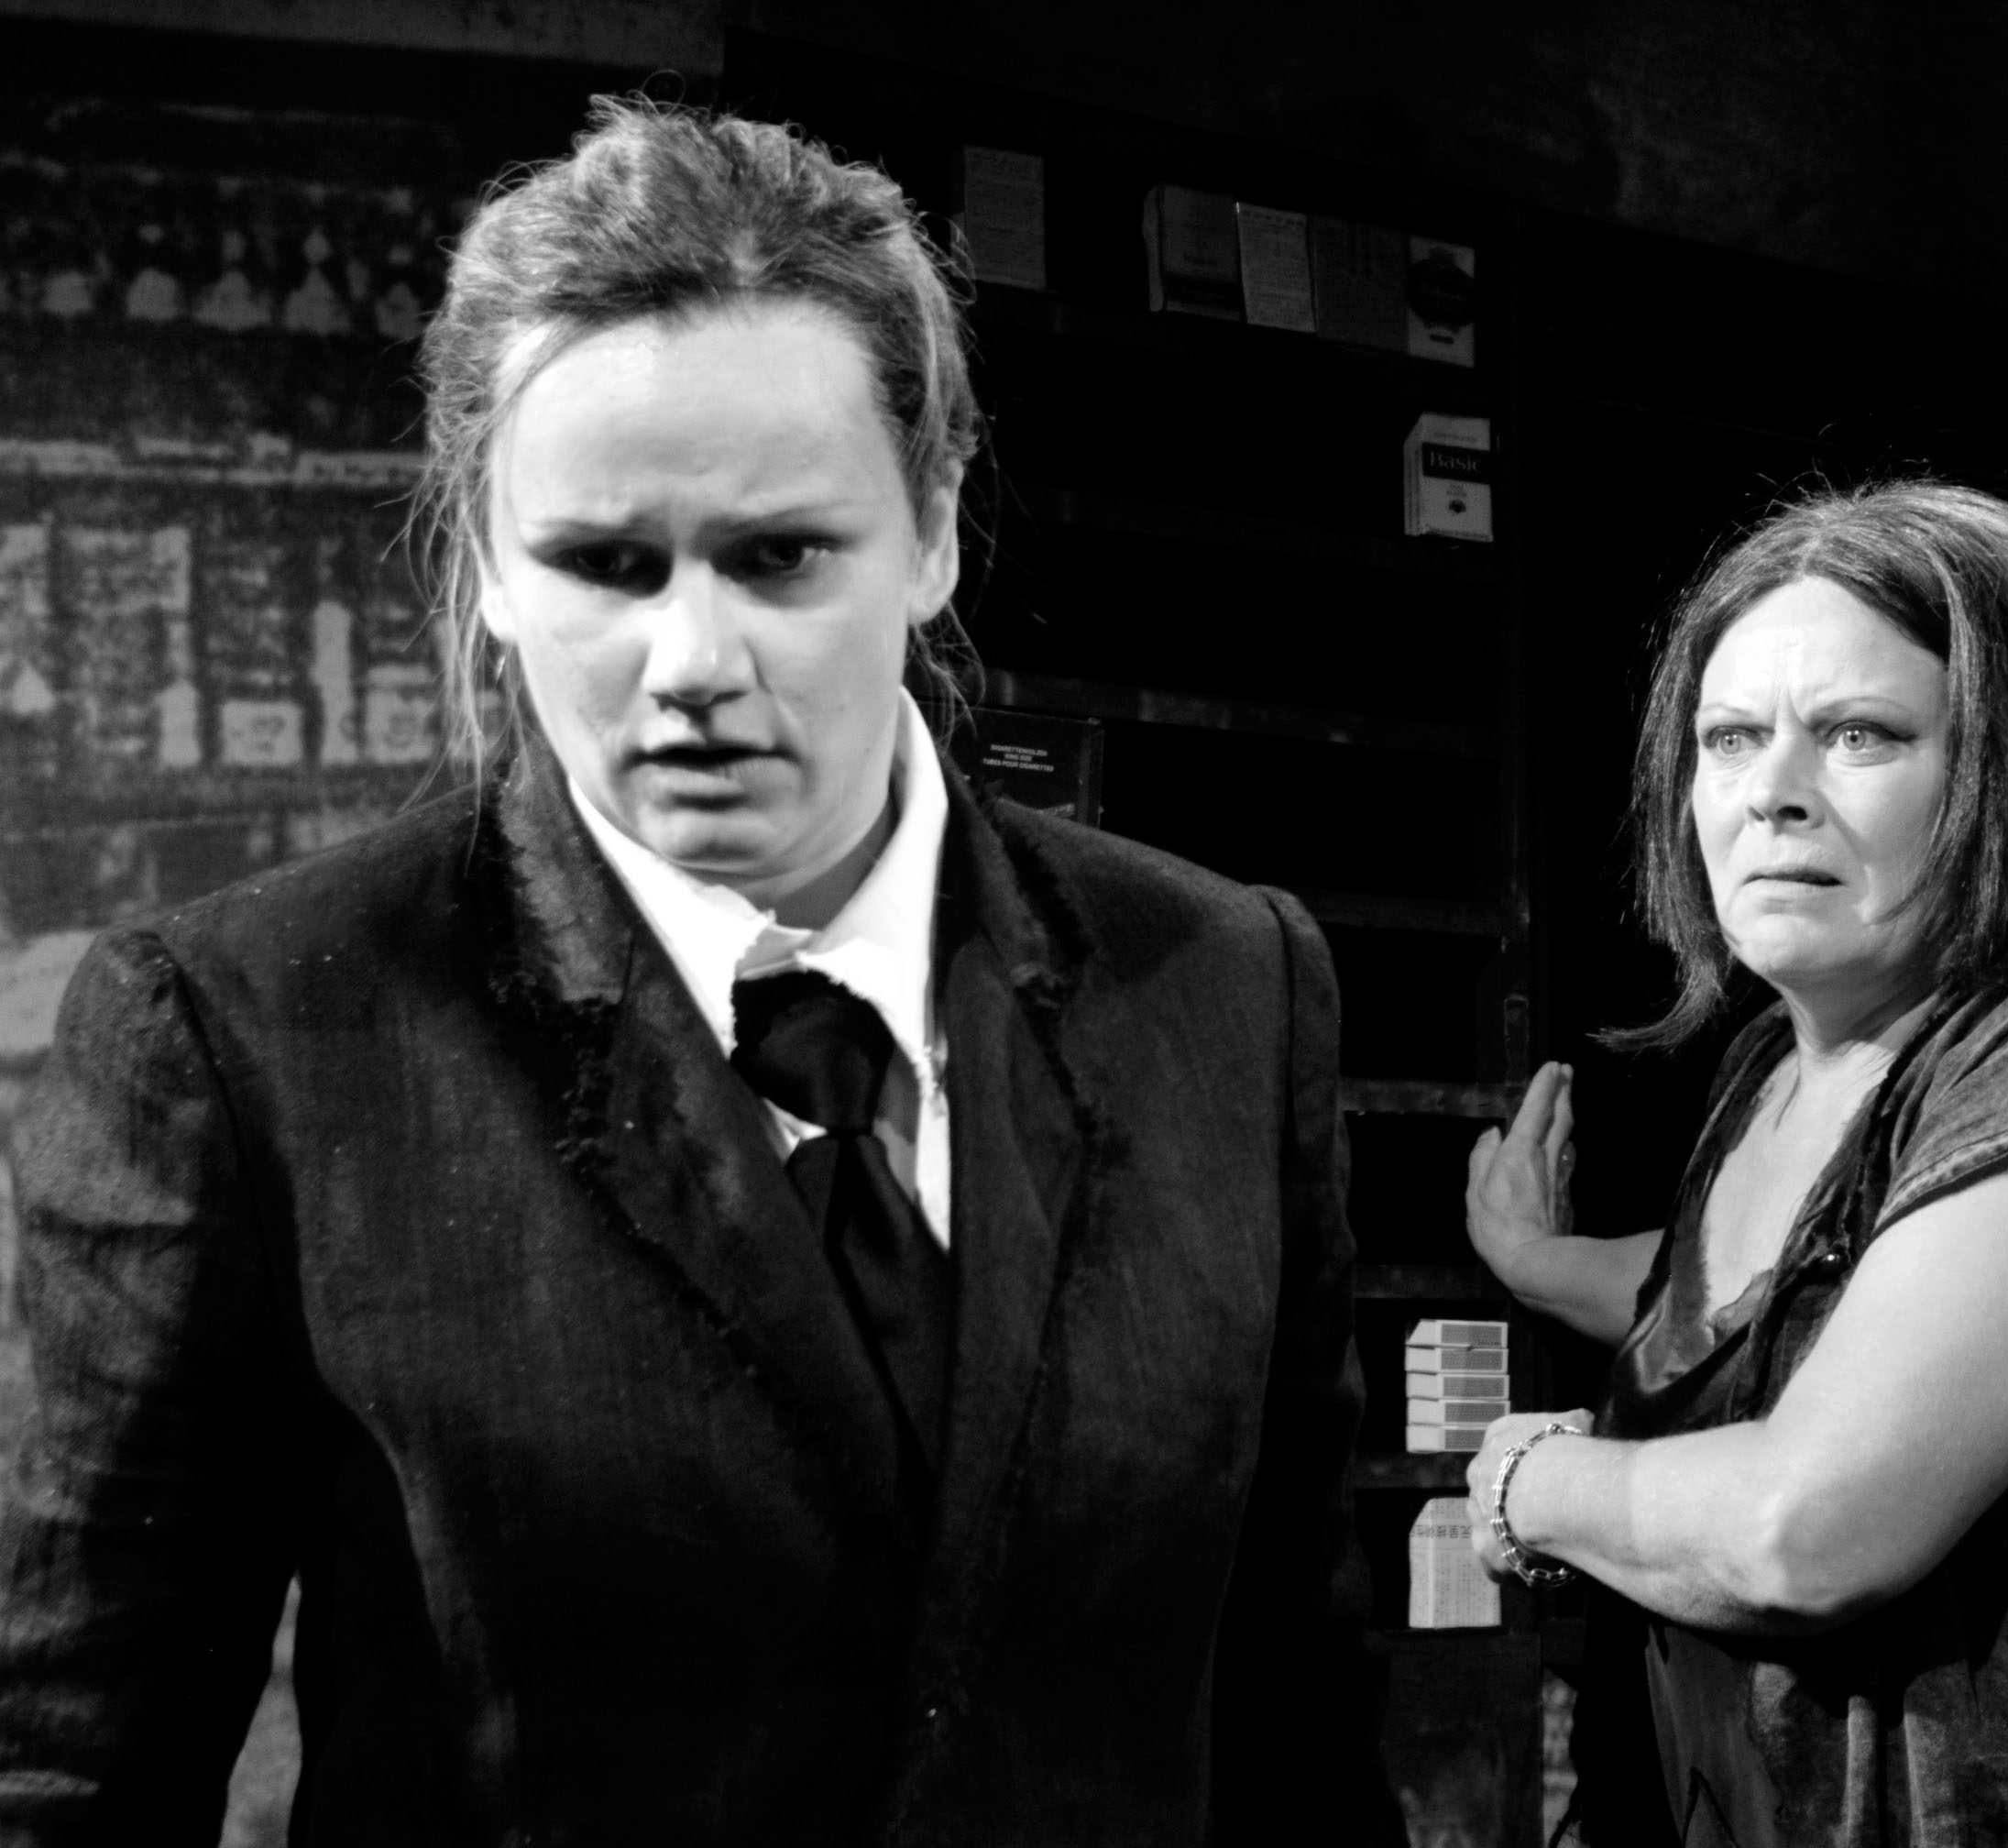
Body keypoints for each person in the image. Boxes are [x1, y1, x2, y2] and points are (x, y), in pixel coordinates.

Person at [0, 100, 1401, 1845]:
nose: (692, 661)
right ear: (489, 566)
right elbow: (71, 1773)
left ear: (934, 526)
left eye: (777, 555)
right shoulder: (256, 1032)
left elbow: (1297, 1716)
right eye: (606, 564)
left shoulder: (1220, 988)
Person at [1462, 482, 2008, 1845]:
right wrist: (1541, 1263)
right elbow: (1780, 1303)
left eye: (1858, 735)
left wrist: (1532, 1478)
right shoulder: (1771, 1068)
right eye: (1731, 739)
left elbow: (1809, 1530)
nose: (1773, 793)